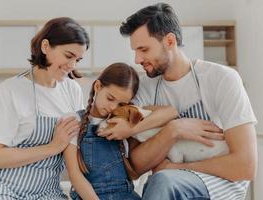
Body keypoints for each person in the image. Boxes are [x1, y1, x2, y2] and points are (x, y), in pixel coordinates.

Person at [99, 3, 258, 200]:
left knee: (163, 180)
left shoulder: (222, 79)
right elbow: (136, 167)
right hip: (172, 183)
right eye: (135, 51)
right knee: (160, 182)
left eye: (144, 49)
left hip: (222, 182)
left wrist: (177, 168)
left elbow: (245, 166)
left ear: (170, 41)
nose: (137, 59)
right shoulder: (144, 90)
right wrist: (173, 130)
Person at [0, 17, 89, 199]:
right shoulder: (11, 90)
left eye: (77, 60)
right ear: (46, 47)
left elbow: (76, 148)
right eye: (68, 55)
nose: (72, 65)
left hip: (46, 192)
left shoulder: (73, 91)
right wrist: (53, 147)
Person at [63, 62, 178, 200]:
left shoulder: (127, 120)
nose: (113, 107)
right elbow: (75, 176)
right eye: (110, 98)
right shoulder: (74, 120)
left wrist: (131, 129)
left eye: (121, 104)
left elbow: (171, 112)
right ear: (98, 86)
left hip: (126, 195)